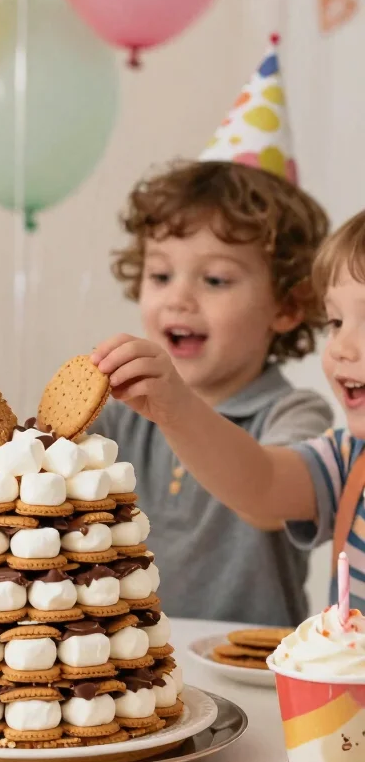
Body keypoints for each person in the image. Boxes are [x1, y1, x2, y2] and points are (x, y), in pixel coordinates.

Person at [90, 41, 332, 626]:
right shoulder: (121, 415)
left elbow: (266, 494)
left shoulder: (295, 415)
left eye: (217, 278)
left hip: (254, 684)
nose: (179, 297)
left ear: (288, 305)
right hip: (125, 676)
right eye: (160, 274)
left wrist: (176, 407)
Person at [94, 209, 365, 619]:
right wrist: (177, 409)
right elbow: (264, 483)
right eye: (336, 322)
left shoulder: (295, 412)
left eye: (216, 279)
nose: (341, 347)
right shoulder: (348, 461)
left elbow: (263, 506)